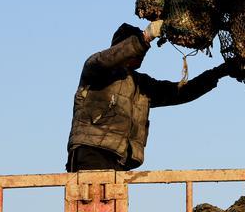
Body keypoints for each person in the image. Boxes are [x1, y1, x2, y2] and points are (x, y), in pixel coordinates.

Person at [65, 20, 230, 172]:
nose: (142, 54)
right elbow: (109, 58)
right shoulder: (96, 69)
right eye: (137, 48)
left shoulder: (142, 84)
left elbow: (180, 92)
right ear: (120, 47)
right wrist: (145, 37)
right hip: (91, 152)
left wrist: (218, 73)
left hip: (121, 160)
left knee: (112, 204)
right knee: (92, 202)